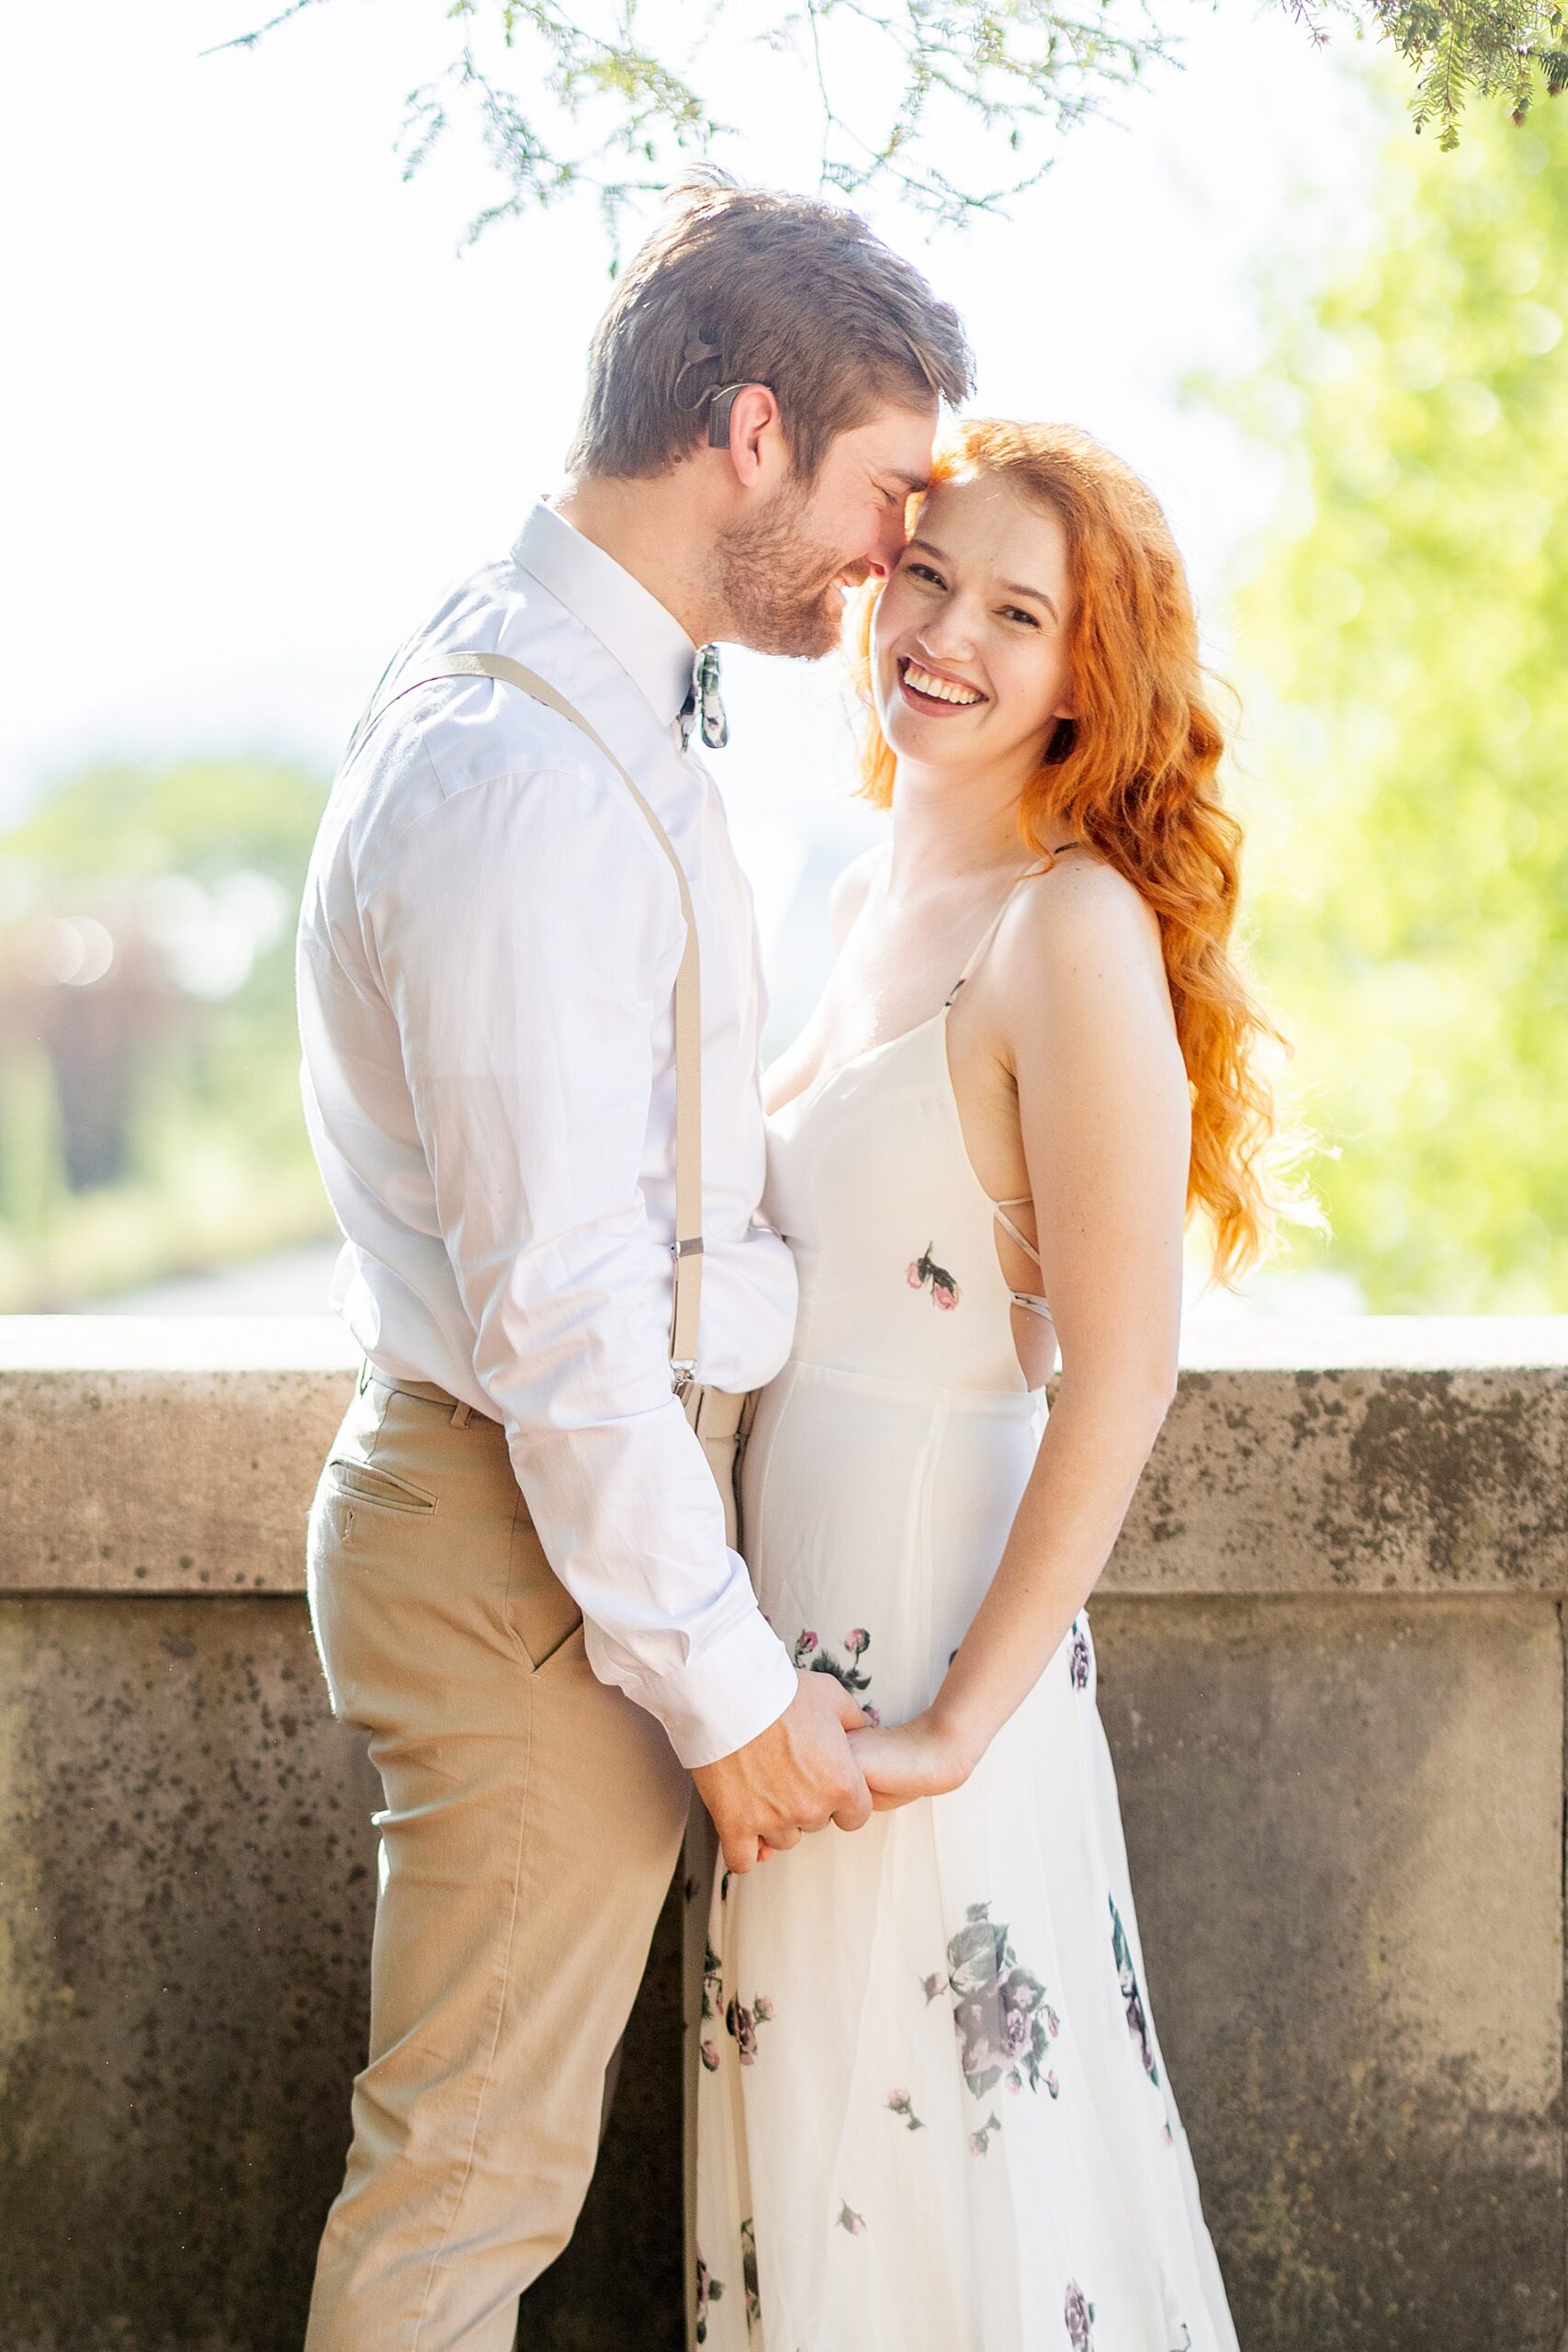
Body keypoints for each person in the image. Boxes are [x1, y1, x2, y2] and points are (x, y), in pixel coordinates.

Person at [293, 173, 972, 2350]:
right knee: (464, 2193)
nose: (898, 559)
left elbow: (641, 1174)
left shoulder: (579, 696)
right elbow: (566, 1319)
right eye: (885, 489)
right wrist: (726, 1685)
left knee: (486, 2173)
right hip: (530, 1550)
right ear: (749, 433)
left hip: (549, 1530)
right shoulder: (524, 779)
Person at [694, 420, 1279, 2349]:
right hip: (768, 1678)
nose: (942, 631)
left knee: (965, 2183)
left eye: (1014, 612)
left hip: (934, 1663)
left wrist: (951, 1725)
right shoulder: (850, 896)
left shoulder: (1070, 929)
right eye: (926, 576)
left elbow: (1116, 1377)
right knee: (825, 2186)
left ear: (1080, 681)